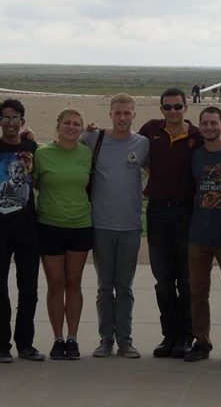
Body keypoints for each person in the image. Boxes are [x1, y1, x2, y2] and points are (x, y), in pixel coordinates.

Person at [82, 94, 150, 359]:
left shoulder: (142, 144)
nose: (122, 118)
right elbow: (65, 144)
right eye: (118, 113)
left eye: (127, 113)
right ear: (110, 114)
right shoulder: (94, 139)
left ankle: (125, 340)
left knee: (124, 287)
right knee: (104, 286)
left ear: (134, 115)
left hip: (130, 227)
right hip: (101, 225)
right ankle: (105, 339)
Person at [0, 98, 46, 363]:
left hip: (28, 227)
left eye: (15, 117)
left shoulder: (32, 147)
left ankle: (25, 343)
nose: (10, 122)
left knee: (28, 287)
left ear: (22, 121)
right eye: (5, 118)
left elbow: (38, 180)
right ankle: (2, 344)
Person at [139, 88, 203, 358]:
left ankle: (187, 337)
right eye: (167, 107)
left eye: (177, 106)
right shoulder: (150, 129)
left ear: (186, 107)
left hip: (187, 213)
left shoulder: (196, 136)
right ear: (161, 108)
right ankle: (169, 336)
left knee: (187, 280)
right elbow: (127, 144)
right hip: (157, 212)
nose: (173, 111)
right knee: (163, 280)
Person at [34, 109, 93, 360]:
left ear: (82, 128)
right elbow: (33, 182)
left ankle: (73, 338)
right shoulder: (42, 153)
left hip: (80, 224)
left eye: (76, 124)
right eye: (67, 123)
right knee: (56, 283)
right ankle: (58, 338)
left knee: (74, 282)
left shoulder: (87, 153)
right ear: (57, 126)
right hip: (49, 225)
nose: (71, 127)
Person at [185, 106, 221, 363]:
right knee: (197, 292)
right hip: (199, 236)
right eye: (204, 123)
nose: (209, 127)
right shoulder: (195, 155)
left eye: (214, 123)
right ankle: (201, 341)